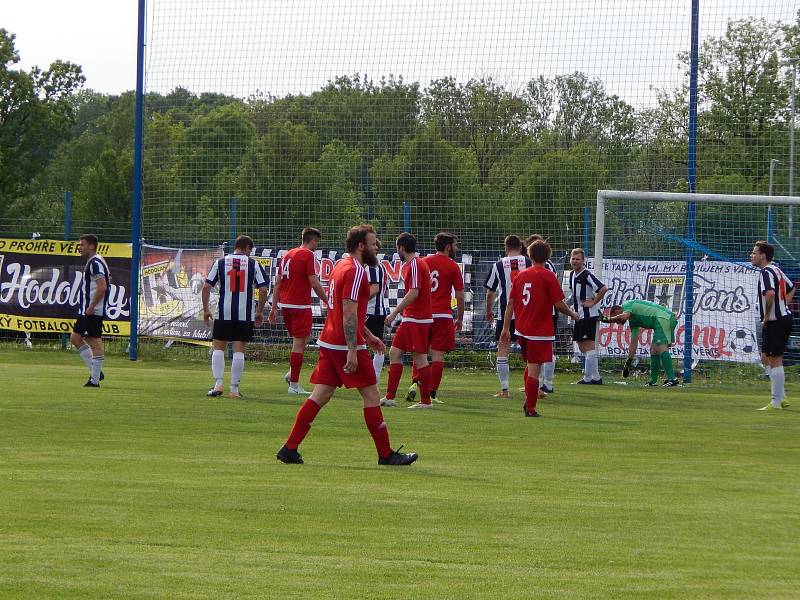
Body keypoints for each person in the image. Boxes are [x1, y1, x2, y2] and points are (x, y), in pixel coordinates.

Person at [276, 225, 418, 466]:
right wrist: (354, 349)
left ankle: (289, 448)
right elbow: (349, 314)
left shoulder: (342, 266)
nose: (377, 247)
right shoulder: (355, 271)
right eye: (373, 243)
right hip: (344, 345)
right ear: (361, 245)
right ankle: (385, 454)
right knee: (372, 395)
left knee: (320, 395)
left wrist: (369, 336)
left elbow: (345, 310)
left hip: (330, 341)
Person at [500, 240, 579, 417]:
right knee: (535, 367)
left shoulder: (521, 275)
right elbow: (559, 304)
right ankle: (530, 408)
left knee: (531, 364)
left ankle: (529, 401)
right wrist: (572, 314)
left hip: (522, 328)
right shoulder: (548, 275)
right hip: (539, 331)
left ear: (529, 255)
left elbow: (510, 303)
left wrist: (506, 328)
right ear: (548, 256)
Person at [202, 235, 269, 398]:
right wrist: (259, 311)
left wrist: (205, 309)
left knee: (218, 347)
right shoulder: (254, 264)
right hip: (244, 315)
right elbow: (264, 290)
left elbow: (206, 287)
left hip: (224, 313)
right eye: (250, 250)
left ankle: (218, 384)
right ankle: (234, 389)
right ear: (246, 247)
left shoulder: (220, 262)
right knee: (239, 350)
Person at [269, 227, 329, 394]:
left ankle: (291, 373)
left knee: (302, 339)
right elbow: (314, 283)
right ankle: (294, 385)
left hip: (286, 306)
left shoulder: (288, 254)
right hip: (300, 306)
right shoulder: (308, 255)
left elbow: (278, 283)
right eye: (317, 242)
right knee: (299, 344)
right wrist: (327, 301)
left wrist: (274, 307)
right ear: (313, 241)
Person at [380, 232, 434, 409]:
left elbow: (414, 292)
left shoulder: (417, 265)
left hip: (417, 319)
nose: (397, 252)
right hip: (411, 318)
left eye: (397, 249)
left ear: (401, 248)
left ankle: (426, 401)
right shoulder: (414, 265)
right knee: (394, 353)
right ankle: (390, 397)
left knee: (420, 359)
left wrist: (394, 313)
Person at [420, 232, 465, 401]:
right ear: (448, 247)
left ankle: (416, 383)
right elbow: (459, 295)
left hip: (424, 314)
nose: (456, 248)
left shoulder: (423, 262)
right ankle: (431, 393)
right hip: (443, 315)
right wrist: (459, 318)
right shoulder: (452, 266)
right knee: (438, 355)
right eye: (455, 245)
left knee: (420, 353)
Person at [484, 235, 531, 398]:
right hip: (527, 313)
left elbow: (490, 292)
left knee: (503, 349)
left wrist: (488, 311)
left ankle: (505, 390)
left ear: (505, 247)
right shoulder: (529, 262)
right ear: (520, 246)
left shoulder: (498, 265)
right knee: (531, 352)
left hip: (505, 315)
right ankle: (535, 388)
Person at [751, 240, 795, 410]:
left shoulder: (767, 272)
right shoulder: (776, 269)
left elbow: (769, 294)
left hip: (776, 321)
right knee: (765, 358)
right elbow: (791, 287)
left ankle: (775, 403)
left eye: (754, 253)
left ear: (763, 256)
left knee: (775, 359)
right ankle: (782, 396)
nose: (752, 255)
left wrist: (769, 315)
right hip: (778, 320)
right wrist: (783, 305)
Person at [604, 300, 679, 387]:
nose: (617, 322)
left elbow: (625, 315)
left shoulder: (627, 305)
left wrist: (610, 319)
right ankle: (653, 381)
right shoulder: (633, 321)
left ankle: (672, 379)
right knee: (654, 350)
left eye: (617, 319)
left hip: (663, 318)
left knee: (660, 347)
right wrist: (628, 362)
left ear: (617, 311)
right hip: (662, 319)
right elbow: (633, 342)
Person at [70, 234, 109, 388]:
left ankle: (94, 380)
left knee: (94, 342)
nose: (79, 247)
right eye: (79, 245)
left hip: (92, 310)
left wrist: (92, 306)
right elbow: (107, 280)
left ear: (91, 246)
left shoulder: (95, 262)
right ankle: (96, 371)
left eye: (82, 245)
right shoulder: (96, 261)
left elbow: (103, 286)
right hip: (87, 309)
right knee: (75, 338)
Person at [569, 248, 609, 385]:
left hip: (588, 315)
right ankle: (595, 377)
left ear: (583, 260)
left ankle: (589, 378)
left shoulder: (586, 275)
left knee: (588, 345)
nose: (575, 261)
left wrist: (593, 302)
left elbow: (603, 289)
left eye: (577, 259)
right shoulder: (572, 275)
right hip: (579, 315)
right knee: (581, 345)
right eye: (573, 259)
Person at [525, 234, 559, 394]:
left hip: (545, 313)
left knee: (544, 351)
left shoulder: (547, 269)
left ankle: (546, 383)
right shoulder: (534, 269)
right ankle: (536, 384)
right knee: (536, 354)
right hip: (535, 313)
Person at [365, 239, 390, 383]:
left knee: (354, 342)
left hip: (370, 312)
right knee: (378, 346)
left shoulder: (372, 266)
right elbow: (383, 291)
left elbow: (374, 289)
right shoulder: (381, 267)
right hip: (379, 311)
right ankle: (375, 377)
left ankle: (366, 375)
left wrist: (359, 302)